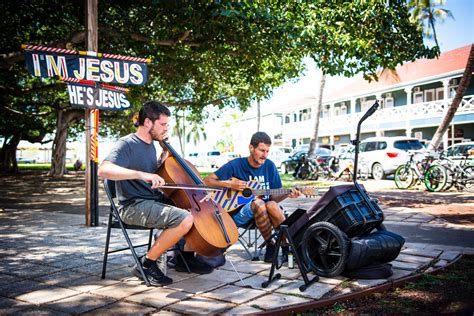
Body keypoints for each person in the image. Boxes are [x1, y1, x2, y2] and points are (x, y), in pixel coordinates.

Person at [98, 101, 213, 286]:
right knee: (184, 218)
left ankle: (185, 257)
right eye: (163, 124)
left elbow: (157, 173)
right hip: (132, 206)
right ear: (148, 123)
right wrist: (140, 174)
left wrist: (165, 154)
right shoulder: (127, 144)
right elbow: (103, 170)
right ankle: (147, 263)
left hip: (152, 200)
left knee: (194, 209)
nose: (166, 128)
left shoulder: (152, 145)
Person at [203, 132, 300, 262]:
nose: (264, 155)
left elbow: (273, 197)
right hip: (238, 214)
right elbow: (207, 181)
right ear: (251, 148)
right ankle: (270, 245)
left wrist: (287, 193)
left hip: (265, 215)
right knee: (259, 203)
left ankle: (285, 246)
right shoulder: (236, 165)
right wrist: (229, 184)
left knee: (271, 205)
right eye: (261, 150)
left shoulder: (270, 166)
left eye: (267, 151)